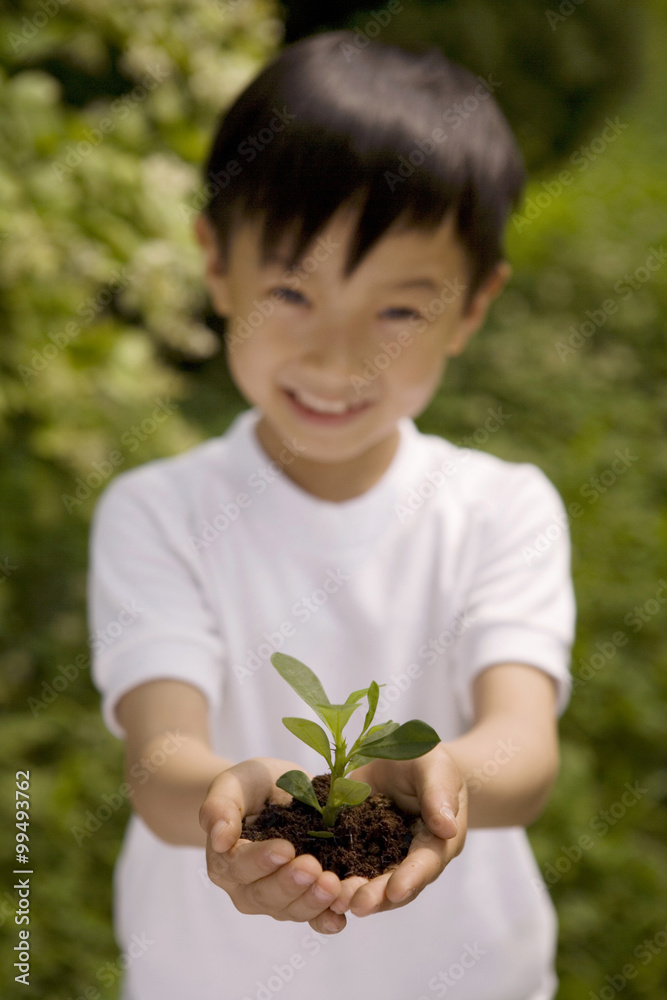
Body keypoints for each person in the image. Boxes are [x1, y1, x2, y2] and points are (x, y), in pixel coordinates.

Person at [89, 29, 576, 1000]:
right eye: (290, 290)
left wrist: (440, 778)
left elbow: (522, 748)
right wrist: (231, 800)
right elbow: (161, 758)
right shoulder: (157, 512)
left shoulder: (500, 509)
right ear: (215, 264)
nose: (336, 355)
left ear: (472, 306)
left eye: (398, 309)